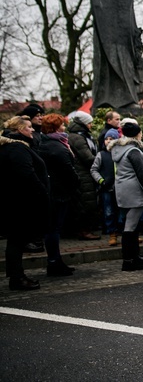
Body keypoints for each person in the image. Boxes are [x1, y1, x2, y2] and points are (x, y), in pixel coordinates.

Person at [0, 116, 49, 290]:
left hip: (16, 201)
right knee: (17, 240)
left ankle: (17, 276)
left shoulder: (12, 147)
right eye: (29, 127)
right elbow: (27, 175)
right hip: (20, 203)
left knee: (17, 240)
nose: (33, 129)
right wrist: (43, 193)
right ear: (20, 130)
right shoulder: (17, 149)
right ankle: (17, 277)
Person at [110, 121, 143, 271]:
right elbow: (142, 175)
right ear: (138, 134)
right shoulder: (133, 151)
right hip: (134, 191)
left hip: (122, 189)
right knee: (130, 227)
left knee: (131, 225)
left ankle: (134, 257)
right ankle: (129, 260)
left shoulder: (119, 149)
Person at [37, 114, 79, 277]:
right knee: (54, 228)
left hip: (54, 191)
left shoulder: (46, 143)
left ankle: (55, 261)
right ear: (55, 127)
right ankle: (54, 262)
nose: (64, 127)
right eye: (61, 125)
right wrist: (76, 183)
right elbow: (68, 169)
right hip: (58, 193)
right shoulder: (56, 146)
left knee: (53, 228)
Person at [67, 111, 100, 240]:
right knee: (86, 203)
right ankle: (84, 230)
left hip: (84, 172)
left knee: (86, 202)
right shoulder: (77, 137)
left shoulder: (81, 135)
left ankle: (83, 229)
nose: (91, 125)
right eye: (89, 123)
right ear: (83, 124)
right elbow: (87, 157)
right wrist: (100, 161)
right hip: (83, 173)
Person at [91, 128, 121, 246]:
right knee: (109, 212)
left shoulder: (121, 153)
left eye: (111, 139)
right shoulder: (101, 155)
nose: (108, 141)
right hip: (106, 188)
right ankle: (112, 234)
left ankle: (125, 232)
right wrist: (101, 181)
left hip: (120, 188)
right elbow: (94, 169)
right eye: (106, 139)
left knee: (122, 212)